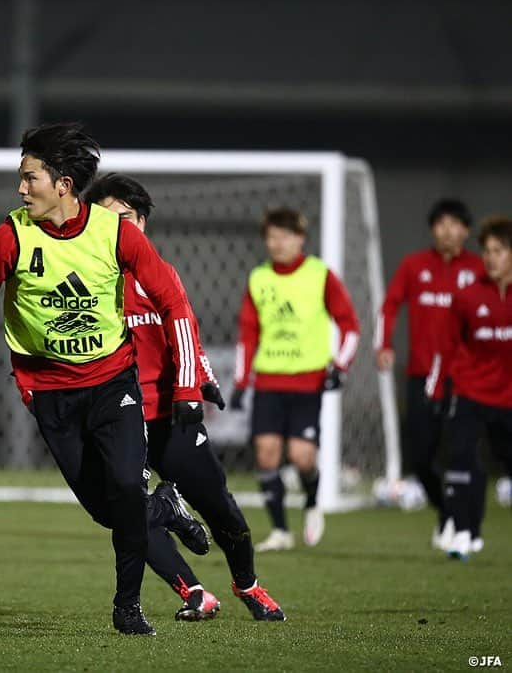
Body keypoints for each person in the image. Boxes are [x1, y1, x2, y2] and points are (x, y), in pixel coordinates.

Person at [0, 123, 208, 636]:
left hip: (112, 383)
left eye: (30, 178)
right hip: (50, 395)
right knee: (107, 511)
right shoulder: (12, 235)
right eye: (21, 178)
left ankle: (128, 607)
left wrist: (187, 387)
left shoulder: (114, 232)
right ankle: (161, 503)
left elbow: (174, 302)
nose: (21, 188)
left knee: (123, 487)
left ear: (63, 185)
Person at [83, 173, 285, 621]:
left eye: (126, 219)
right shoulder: (82, 282)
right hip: (114, 419)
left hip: (165, 415)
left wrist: (199, 383)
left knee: (220, 507)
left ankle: (248, 585)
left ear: (143, 223)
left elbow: (185, 334)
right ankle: (194, 593)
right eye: (105, 219)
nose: (117, 228)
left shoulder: (158, 274)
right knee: (126, 512)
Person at [231, 207, 360, 552]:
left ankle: (313, 502)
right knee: (267, 454)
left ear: (300, 238)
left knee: (302, 457)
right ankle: (280, 531)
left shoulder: (320, 275)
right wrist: (242, 382)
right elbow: (248, 333)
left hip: (307, 383)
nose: (278, 243)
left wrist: (340, 366)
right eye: (272, 236)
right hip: (269, 381)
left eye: (285, 236)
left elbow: (350, 325)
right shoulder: (259, 278)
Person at [375, 198, 483, 550]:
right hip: (421, 375)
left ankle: (465, 524)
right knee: (421, 457)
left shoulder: (480, 270)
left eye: (455, 224)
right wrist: (384, 344)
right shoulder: (414, 265)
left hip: (465, 378)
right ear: (432, 229)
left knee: (459, 452)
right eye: (441, 224)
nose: (447, 231)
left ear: (466, 230)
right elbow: (389, 305)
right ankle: (446, 511)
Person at [427, 216, 512, 560]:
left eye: (499, 250)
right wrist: (436, 391)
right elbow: (445, 348)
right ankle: (463, 532)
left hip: (508, 399)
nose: (490, 257)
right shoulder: (466, 297)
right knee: (460, 459)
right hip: (471, 393)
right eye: (487, 250)